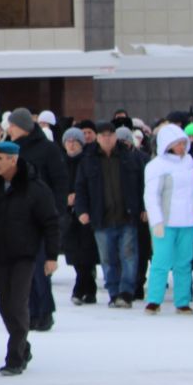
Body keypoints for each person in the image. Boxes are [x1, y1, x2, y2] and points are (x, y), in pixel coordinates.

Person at [0, 141, 62, 375]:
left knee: (18, 303)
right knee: (5, 305)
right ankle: (23, 344)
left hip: (25, 255)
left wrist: (51, 255)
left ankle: (15, 356)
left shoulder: (35, 188)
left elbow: (51, 223)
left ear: (13, 159)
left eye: (0, 158)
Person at [3, 108, 67, 333]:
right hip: (15, 218)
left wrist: (55, 211)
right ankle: (27, 311)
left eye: (12, 125)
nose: (8, 129)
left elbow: (60, 181)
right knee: (21, 270)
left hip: (40, 216)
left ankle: (44, 311)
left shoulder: (47, 149)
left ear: (22, 126)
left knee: (40, 268)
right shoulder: (9, 149)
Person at [73, 126, 147, 306]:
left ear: (116, 137)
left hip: (127, 215)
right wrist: (81, 210)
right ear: (97, 138)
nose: (107, 139)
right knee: (107, 259)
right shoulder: (88, 159)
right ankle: (114, 292)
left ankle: (126, 292)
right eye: (103, 135)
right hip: (101, 218)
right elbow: (80, 187)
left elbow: (141, 184)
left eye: (110, 135)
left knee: (129, 256)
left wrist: (144, 207)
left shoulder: (129, 157)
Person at [142, 123, 193, 314]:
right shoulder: (156, 166)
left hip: (189, 220)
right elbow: (151, 196)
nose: (183, 147)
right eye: (179, 144)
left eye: (184, 143)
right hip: (166, 222)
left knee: (184, 262)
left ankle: (182, 301)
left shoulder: (190, 161)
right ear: (167, 144)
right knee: (161, 261)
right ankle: (154, 299)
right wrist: (156, 221)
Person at [60, 128, 102, 304]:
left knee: (86, 251)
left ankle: (82, 288)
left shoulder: (87, 162)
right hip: (67, 214)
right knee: (74, 253)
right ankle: (87, 287)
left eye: (75, 141)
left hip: (85, 211)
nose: (71, 144)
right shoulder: (60, 162)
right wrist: (64, 198)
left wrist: (79, 197)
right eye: (68, 141)